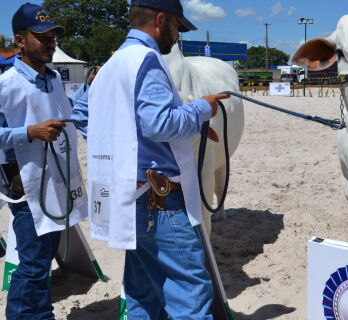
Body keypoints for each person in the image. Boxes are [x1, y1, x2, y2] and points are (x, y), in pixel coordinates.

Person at [87, 0, 229, 318]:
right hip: (159, 199)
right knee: (190, 288)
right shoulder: (147, 59)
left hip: (128, 195)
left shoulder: (113, 63)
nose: (177, 36)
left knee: (142, 290)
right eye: (177, 27)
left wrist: (124, 149)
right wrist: (202, 108)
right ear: (161, 20)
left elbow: (84, 116)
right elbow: (159, 124)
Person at [0, 3, 94, 319]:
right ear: (20, 40)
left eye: (53, 35)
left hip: (55, 184)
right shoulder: (6, 84)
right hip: (26, 186)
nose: (51, 42)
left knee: (41, 261)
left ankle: (41, 314)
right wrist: (29, 132)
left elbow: (70, 116)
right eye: (42, 36)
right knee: (33, 264)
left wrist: (94, 92)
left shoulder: (54, 79)